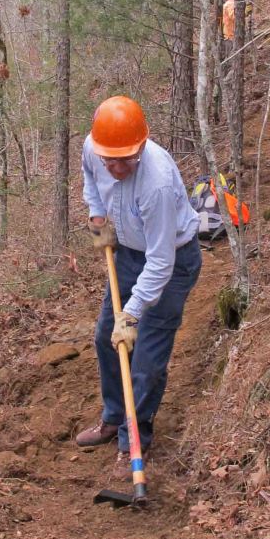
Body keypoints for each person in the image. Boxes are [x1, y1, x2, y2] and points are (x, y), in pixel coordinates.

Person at [75, 95, 202, 480]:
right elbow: (90, 179)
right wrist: (98, 215)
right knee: (105, 339)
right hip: (128, 255)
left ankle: (135, 437)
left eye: (124, 160)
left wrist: (131, 313)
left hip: (171, 263)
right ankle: (115, 417)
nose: (114, 167)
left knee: (145, 355)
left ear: (141, 147)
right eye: (108, 159)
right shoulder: (94, 148)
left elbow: (161, 263)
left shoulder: (157, 184)